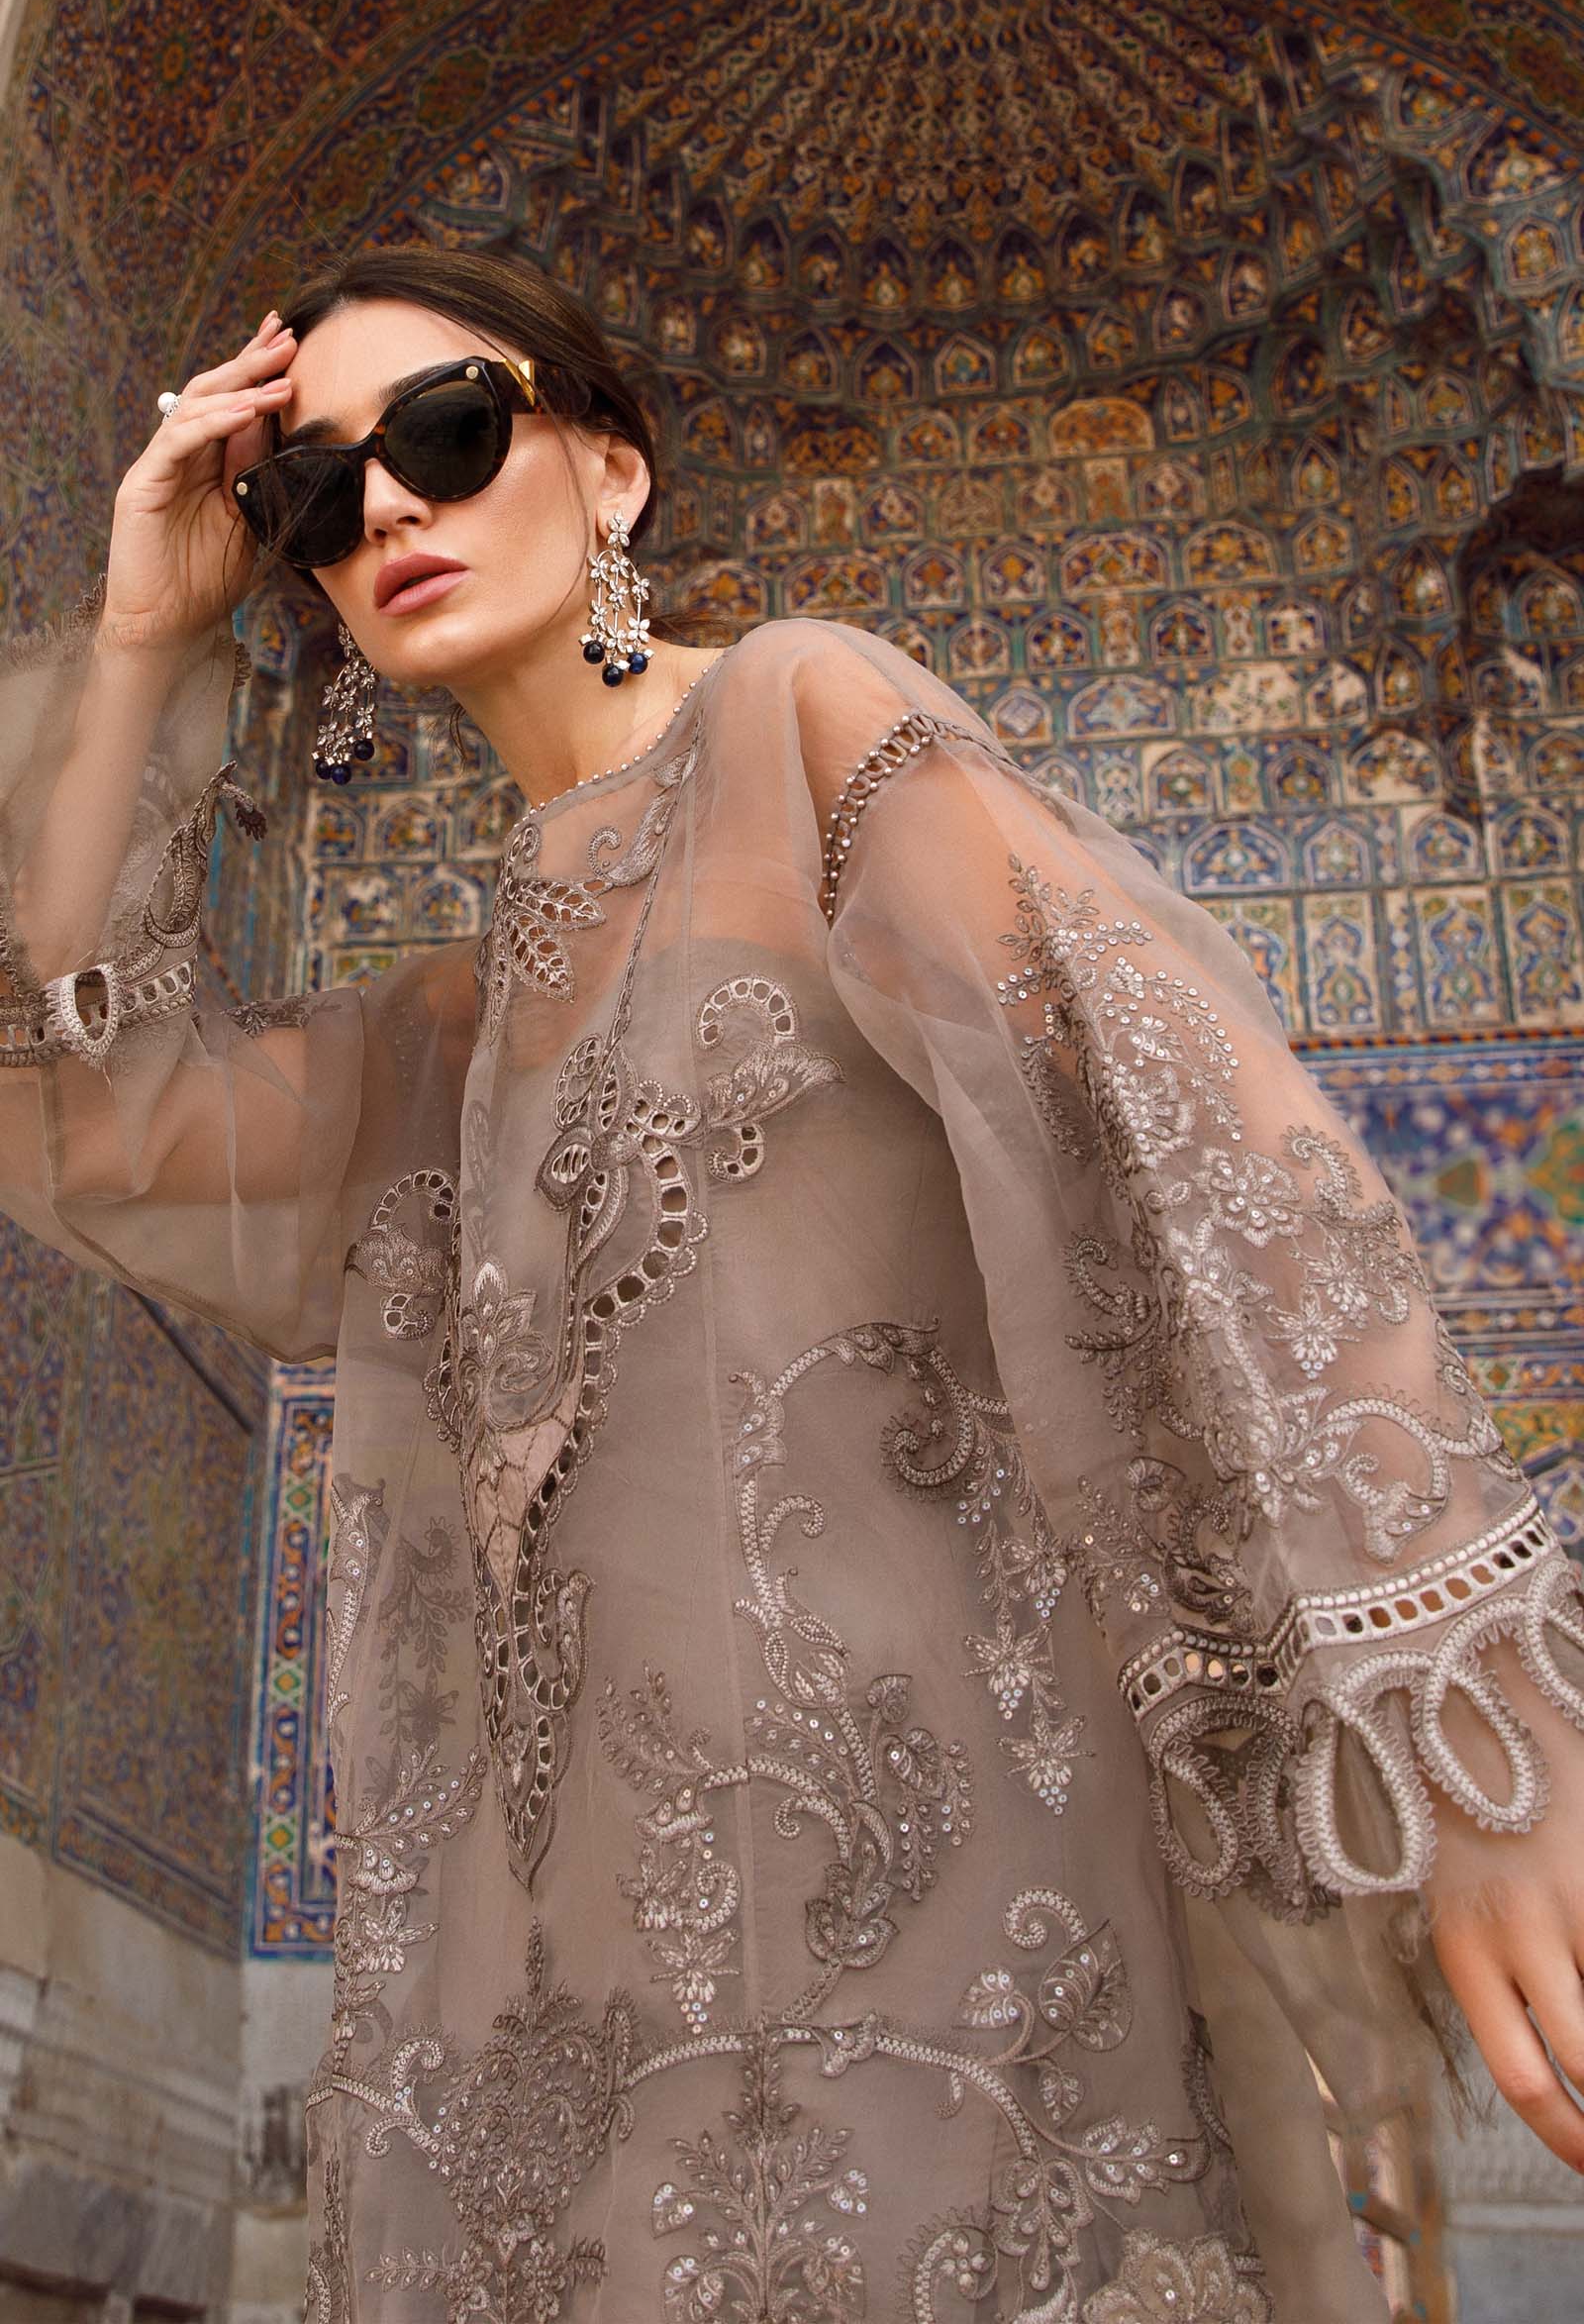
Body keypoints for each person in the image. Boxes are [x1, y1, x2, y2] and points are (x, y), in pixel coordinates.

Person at [0, 244, 1581, 2324]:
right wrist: (144, 637)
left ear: (612, 469)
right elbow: (83, 1104)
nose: (380, 503)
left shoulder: (800, 718)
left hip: (959, 1965)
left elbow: (1198, 1136)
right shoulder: (446, 1038)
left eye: (447, 433)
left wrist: (1478, 1728)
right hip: (557, 2017)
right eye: (311, 489)